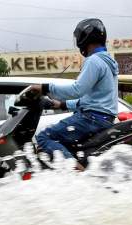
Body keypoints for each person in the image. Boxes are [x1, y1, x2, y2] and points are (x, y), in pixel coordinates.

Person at [30, 18, 119, 169]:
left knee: (44, 138)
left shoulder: (94, 61)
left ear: (86, 37)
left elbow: (77, 90)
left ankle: (80, 174)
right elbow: (89, 99)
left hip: (91, 119)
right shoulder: (108, 62)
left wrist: (45, 88)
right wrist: (62, 104)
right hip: (103, 119)